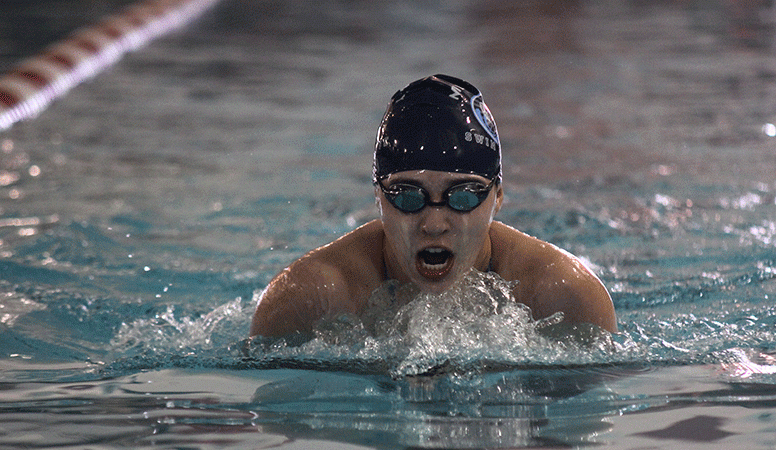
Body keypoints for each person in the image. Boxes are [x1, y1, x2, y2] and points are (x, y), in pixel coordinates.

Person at [250, 74, 616, 339]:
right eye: (409, 195)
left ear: (498, 197)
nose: (435, 223)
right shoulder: (310, 299)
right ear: (378, 197)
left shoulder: (565, 297)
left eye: (463, 196)